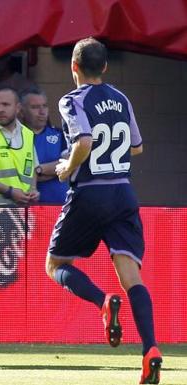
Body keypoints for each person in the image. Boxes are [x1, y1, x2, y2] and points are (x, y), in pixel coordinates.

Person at [47, 37, 161, 384]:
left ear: (73, 67)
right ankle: (151, 349)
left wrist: (67, 168)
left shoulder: (72, 100)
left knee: (55, 265)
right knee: (132, 277)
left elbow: (83, 141)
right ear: (106, 68)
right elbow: (137, 148)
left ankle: (101, 301)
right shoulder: (121, 98)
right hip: (123, 192)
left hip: (90, 191)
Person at [19, 87, 68, 204]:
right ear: (21, 111)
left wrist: (37, 170)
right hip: (26, 209)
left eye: (44, 106)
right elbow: (18, 174)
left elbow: (68, 166)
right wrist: (53, 171)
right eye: (35, 107)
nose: (42, 112)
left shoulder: (60, 135)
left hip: (59, 207)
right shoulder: (15, 138)